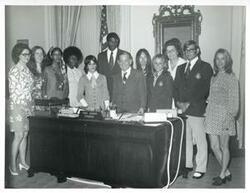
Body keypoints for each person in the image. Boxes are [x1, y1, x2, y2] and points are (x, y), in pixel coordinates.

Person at [174, 40, 213, 179]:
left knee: (200, 139)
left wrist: (188, 103)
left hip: (197, 109)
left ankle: (201, 167)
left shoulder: (205, 67)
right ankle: (188, 164)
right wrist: (179, 103)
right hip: (182, 110)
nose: (188, 52)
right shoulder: (180, 68)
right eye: (186, 50)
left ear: (197, 50)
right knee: (187, 139)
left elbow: (204, 89)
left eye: (191, 49)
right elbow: (176, 88)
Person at [204, 49, 239, 186]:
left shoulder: (231, 78)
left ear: (227, 61)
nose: (219, 62)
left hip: (225, 116)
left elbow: (235, 102)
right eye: (217, 59)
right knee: (214, 146)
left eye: (222, 59)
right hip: (212, 115)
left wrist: (229, 117)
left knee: (224, 147)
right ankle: (227, 172)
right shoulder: (214, 76)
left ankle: (222, 174)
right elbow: (212, 96)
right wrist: (207, 109)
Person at [8, 43, 34, 175]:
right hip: (18, 106)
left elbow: (30, 89)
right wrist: (24, 104)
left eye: (28, 54)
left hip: (28, 105)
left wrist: (30, 105)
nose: (27, 56)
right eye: (24, 54)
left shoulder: (27, 70)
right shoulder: (14, 70)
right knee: (18, 135)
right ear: (18, 55)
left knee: (25, 134)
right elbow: (14, 92)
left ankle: (22, 162)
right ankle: (12, 165)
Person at [98, 32, 125, 98]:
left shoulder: (124, 54)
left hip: (120, 91)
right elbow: (99, 73)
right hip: (104, 90)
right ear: (107, 42)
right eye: (111, 41)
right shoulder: (100, 56)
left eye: (116, 41)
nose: (114, 43)